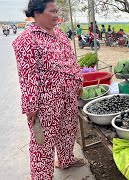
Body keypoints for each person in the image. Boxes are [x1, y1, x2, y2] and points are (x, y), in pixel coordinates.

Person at [12, 0, 85, 179]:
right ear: (37, 13)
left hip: (68, 96)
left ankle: (66, 159)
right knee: (42, 143)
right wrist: (30, 106)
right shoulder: (26, 40)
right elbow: (27, 75)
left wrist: (79, 81)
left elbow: (71, 60)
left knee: (68, 131)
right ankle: (42, 177)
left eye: (56, 11)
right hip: (46, 104)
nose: (56, 15)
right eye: (51, 11)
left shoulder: (60, 34)